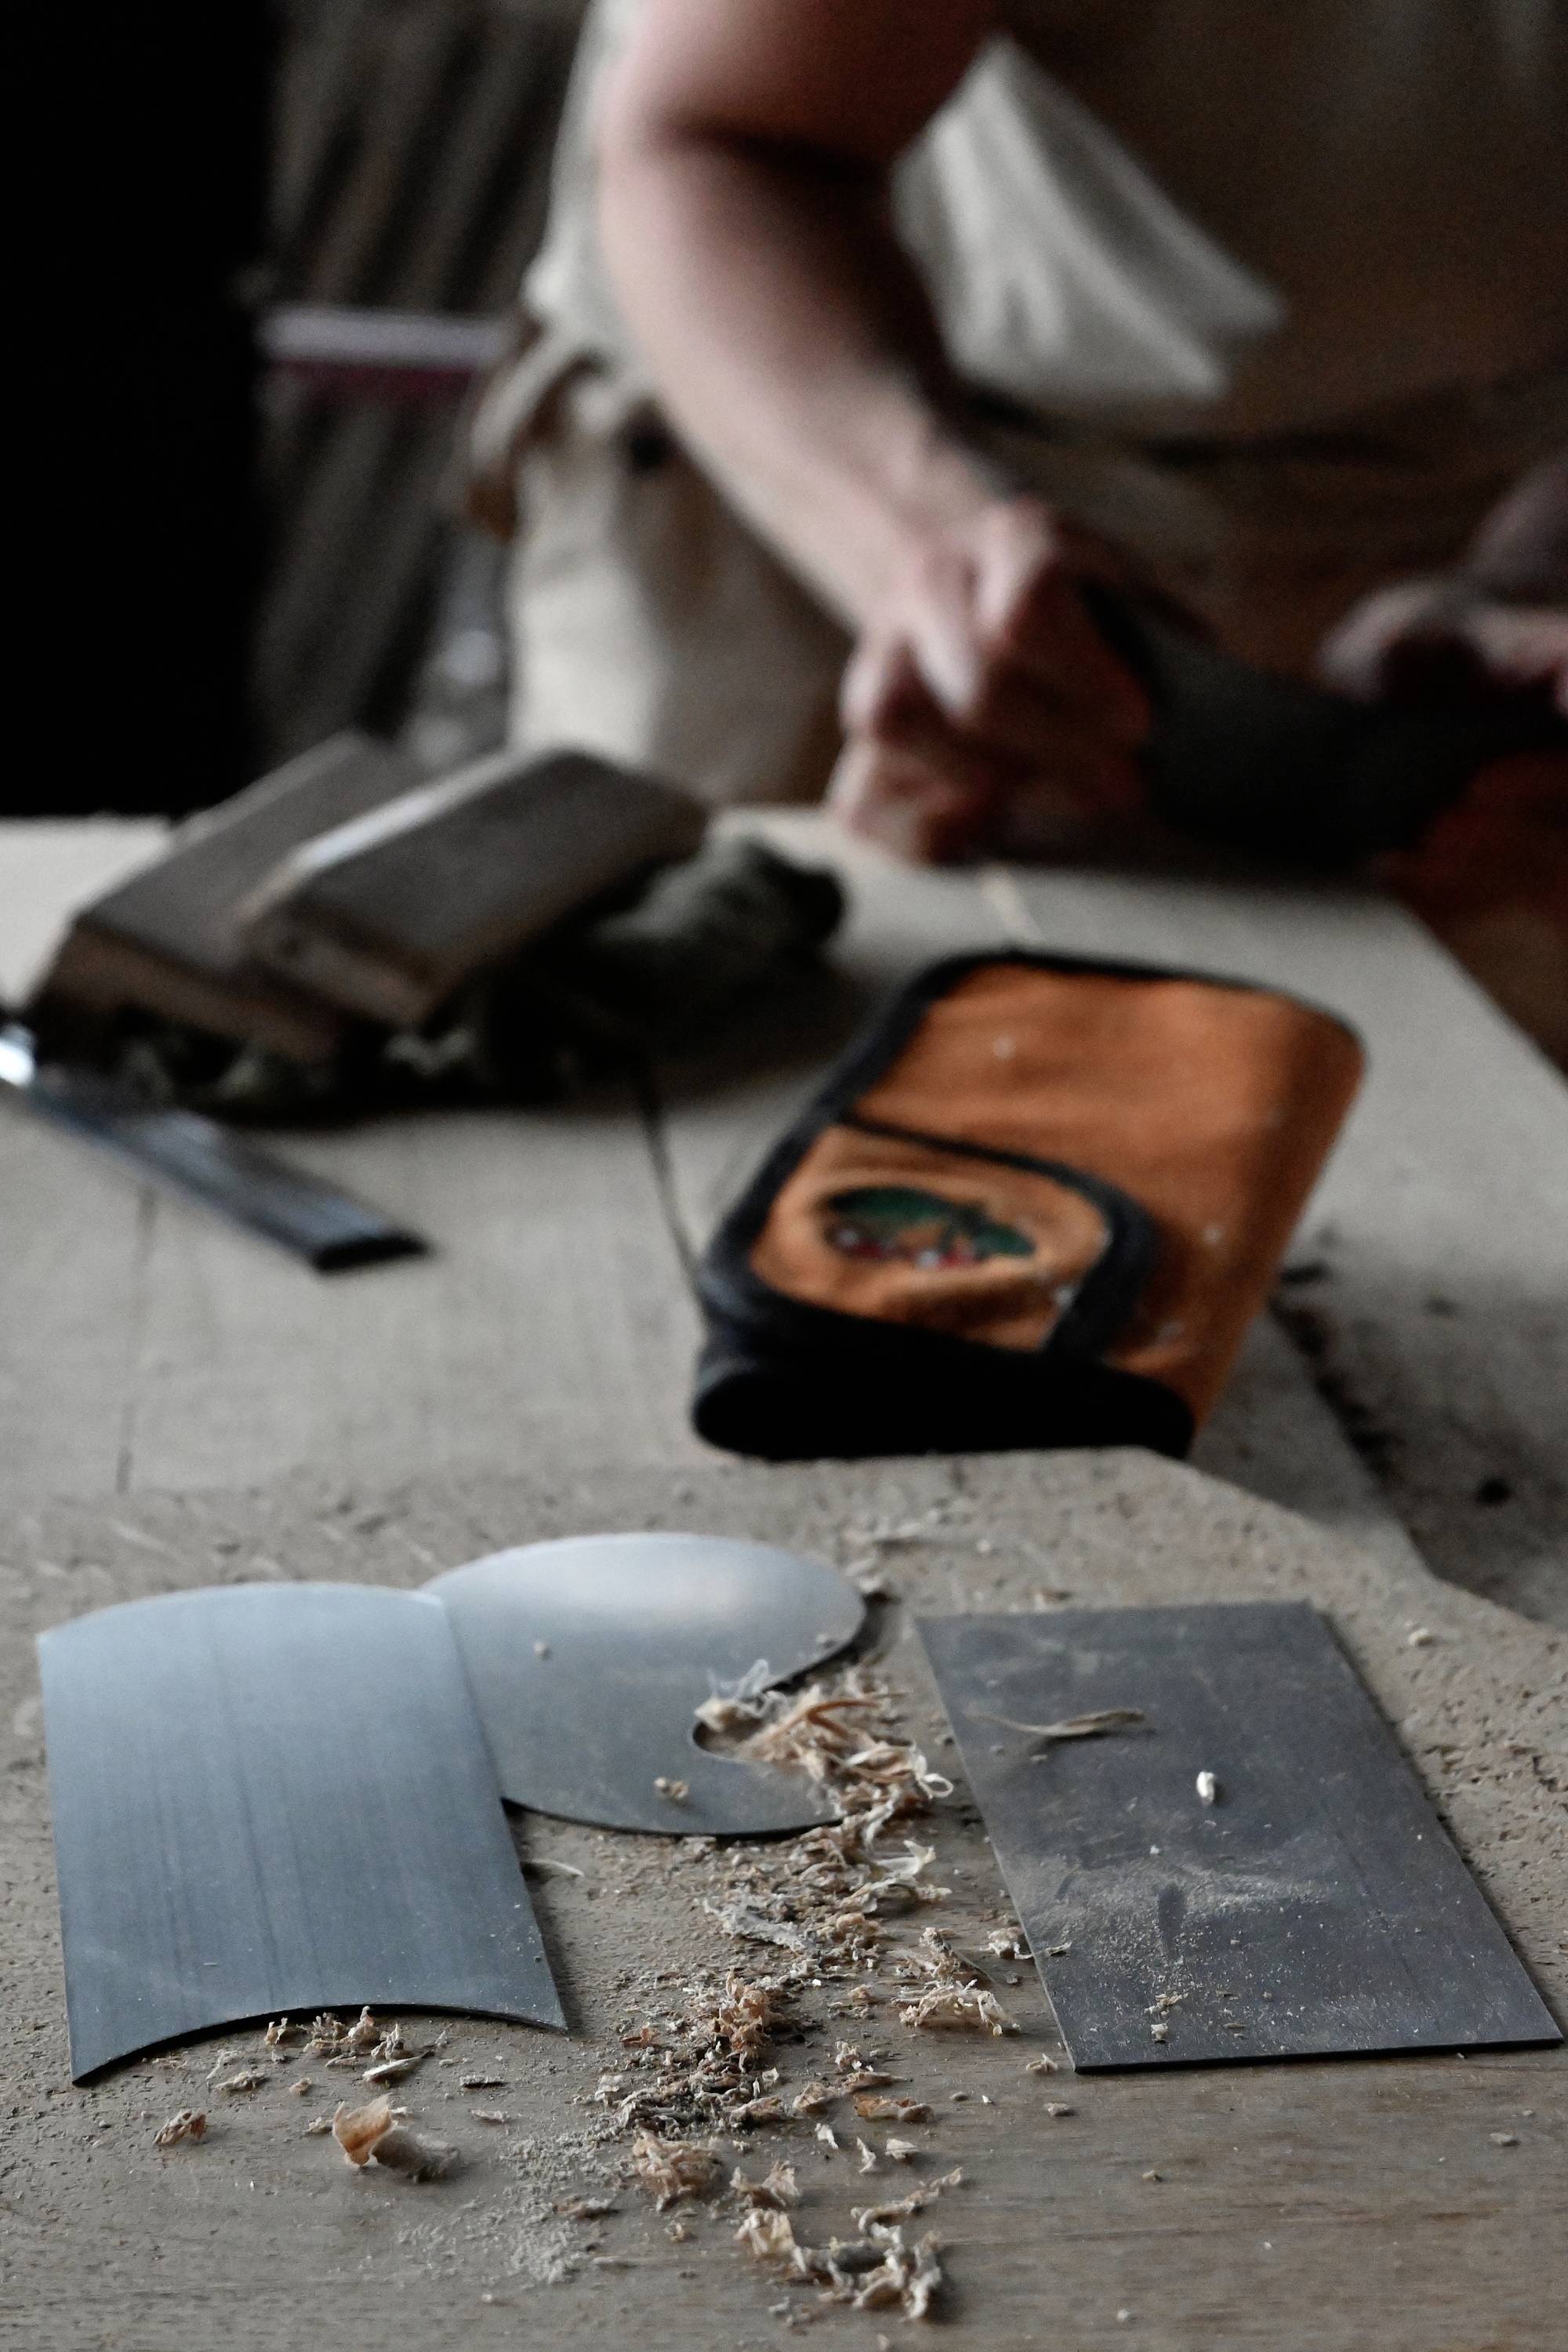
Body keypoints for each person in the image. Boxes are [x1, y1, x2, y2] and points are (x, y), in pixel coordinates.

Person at [468, 0, 1567, 1051]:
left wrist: (1522, 585)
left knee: (1403, 1111)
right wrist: (932, 554)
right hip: (814, 398)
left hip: (1438, 466)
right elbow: (724, 143)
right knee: (698, 1045)